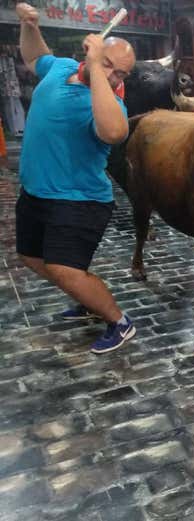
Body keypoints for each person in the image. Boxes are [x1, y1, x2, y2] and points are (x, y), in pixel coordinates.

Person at [14, 2, 137, 353]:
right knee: (31, 257)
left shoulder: (107, 102)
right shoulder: (62, 68)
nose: (114, 76)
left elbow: (115, 132)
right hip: (36, 193)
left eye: (121, 73)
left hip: (79, 201)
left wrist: (99, 69)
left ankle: (119, 321)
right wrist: (29, 25)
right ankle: (88, 300)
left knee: (64, 267)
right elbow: (35, 58)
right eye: (108, 64)